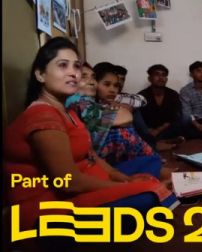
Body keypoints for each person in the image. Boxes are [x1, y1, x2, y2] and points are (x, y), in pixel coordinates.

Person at [4, 37, 176, 233]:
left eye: (76, 67)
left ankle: (155, 191)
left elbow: (91, 155)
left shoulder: (67, 112)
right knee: (150, 193)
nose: (73, 73)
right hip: (51, 210)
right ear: (41, 74)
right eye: (62, 65)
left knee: (148, 163)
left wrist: (118, 176)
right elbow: (68, 183)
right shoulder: (43, 116)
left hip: (88, 180)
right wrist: (123, 187)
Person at [138, 64, 183, 141]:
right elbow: (140, 119)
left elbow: (175, 115)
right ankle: (162, 141)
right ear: (149, 78)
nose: (161, 77)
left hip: (166, 128)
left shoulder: (173, 94)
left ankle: (156, 141)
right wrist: (149, 130)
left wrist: (158, 130)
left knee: (184, 119)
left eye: (164, 75)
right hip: (149, 130)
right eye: (157, 74)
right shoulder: (141, 95)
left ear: (166, 79)